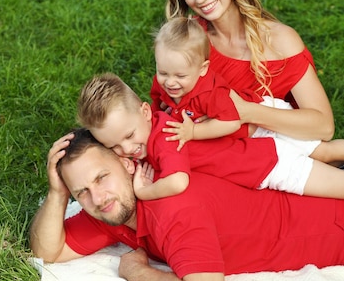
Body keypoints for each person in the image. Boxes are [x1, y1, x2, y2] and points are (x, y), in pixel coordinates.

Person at [29, 128, 344, 281]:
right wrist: (57, 194)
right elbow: (47, 252)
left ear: (127, 164)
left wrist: (136, 273)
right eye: (81, 191)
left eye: (101, 178)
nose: (97, 198)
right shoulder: (113, 208)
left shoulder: (171, 209)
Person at [163, 0, 335, 142]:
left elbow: (324, 127)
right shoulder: (192, 41)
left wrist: (247, 111)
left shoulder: (280, 40)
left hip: (279, 155)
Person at [77, 72, 344, 201]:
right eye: (113, 146)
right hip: (259, 144)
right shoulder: (159, 119)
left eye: (129, 135)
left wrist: (145, 192)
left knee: (336, 183)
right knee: (327, 153)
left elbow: (178, 182)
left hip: (268, 166)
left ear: (145, 112)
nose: (127, 148)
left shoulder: (164, 140)